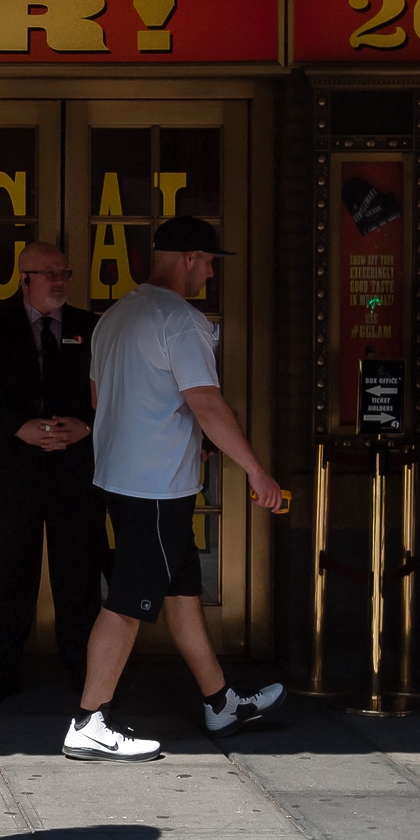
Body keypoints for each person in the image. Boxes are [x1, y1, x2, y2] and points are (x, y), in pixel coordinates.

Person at [67, 216, 285, 762]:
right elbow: (206, 403)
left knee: (181, 593)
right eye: (209, 261)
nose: (211, 271)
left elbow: (99, 397)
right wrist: (256, 471)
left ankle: (221, 701)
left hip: (120, 474)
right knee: (126, 603)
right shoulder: (181, 320)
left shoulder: (114, 316)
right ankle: (89, 720)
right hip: (156, 485)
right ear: (188, 257)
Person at [0, 241, 103, 706]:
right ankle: (0, 671)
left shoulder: (90, 327)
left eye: (64, 272)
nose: (59, 281)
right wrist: (18, 428)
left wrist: (87, 425)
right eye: (49, 274)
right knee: (6, 572)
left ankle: (86, 672)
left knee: (78, 573)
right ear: (24, 280)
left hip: (75, 470)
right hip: (14, 469)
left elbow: (114, 388)